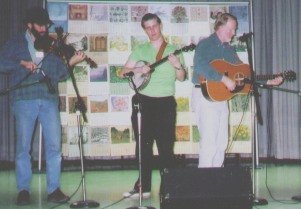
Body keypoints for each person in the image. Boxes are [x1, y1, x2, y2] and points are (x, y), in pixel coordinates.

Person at [0, 7, 85, 205]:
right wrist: (21, 63)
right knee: (23, 147)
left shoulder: (51, 45)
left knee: (55, 146)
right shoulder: (15, 42)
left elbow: (60, 74)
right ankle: (23, 190)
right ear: (29, 25)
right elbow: (2, 63)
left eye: (46, 25)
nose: (44, 29)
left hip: (48, 99)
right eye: (40, 25)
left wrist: (71, 62)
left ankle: (53, 189)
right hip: (24, 98)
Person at [192, 13, 283, 168]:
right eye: (231, 29)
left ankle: (216, 181)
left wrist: (267, 80)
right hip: (205, 96)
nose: (234, 33)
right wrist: (223, 78)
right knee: (209, 144)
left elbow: (244, 75)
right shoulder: (205, 44)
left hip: (220, 99)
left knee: (221, 143)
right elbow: (200, 66)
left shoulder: (229, 50)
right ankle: (205, 184)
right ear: (220, 27)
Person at [120, 13, 186, 198]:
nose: (152, 30)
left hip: (165, 103)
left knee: (166, 146)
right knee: (143, 146)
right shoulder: (140, 50)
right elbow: (122, 72)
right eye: (148, 28)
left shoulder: (174, 49)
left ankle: (168, 187)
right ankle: (144, 186)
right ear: (144, 30)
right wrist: (139, 69)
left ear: (160, 25)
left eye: (154, 26)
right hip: (143, 102)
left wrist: (177, 65)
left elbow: (182, 77)